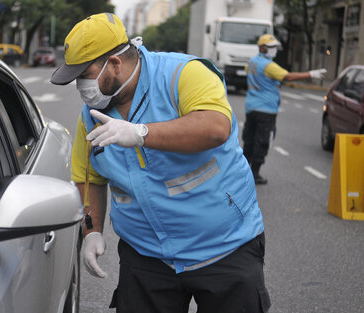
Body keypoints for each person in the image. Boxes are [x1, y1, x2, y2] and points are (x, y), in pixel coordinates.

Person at [51, 13, 270, 313]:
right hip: (146, 256)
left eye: (85, 74)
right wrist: (93, 231)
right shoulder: (91, 116)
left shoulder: (183, 74)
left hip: (225, 248)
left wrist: (141, 133)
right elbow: (88, 178)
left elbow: (216, 126)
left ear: (115, 63)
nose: (81, 86)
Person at [243, 34, 326, 184]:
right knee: (262, 141)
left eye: (275, 47)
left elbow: (256, 75)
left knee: (249, 139)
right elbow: (288, 77)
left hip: (251, 107)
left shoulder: (251, 61)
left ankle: (242, 172)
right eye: (271, 47)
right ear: (262, 48)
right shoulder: (269, 65)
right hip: (266, 109)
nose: (274, 50)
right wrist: (310, 74)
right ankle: (254, 173)